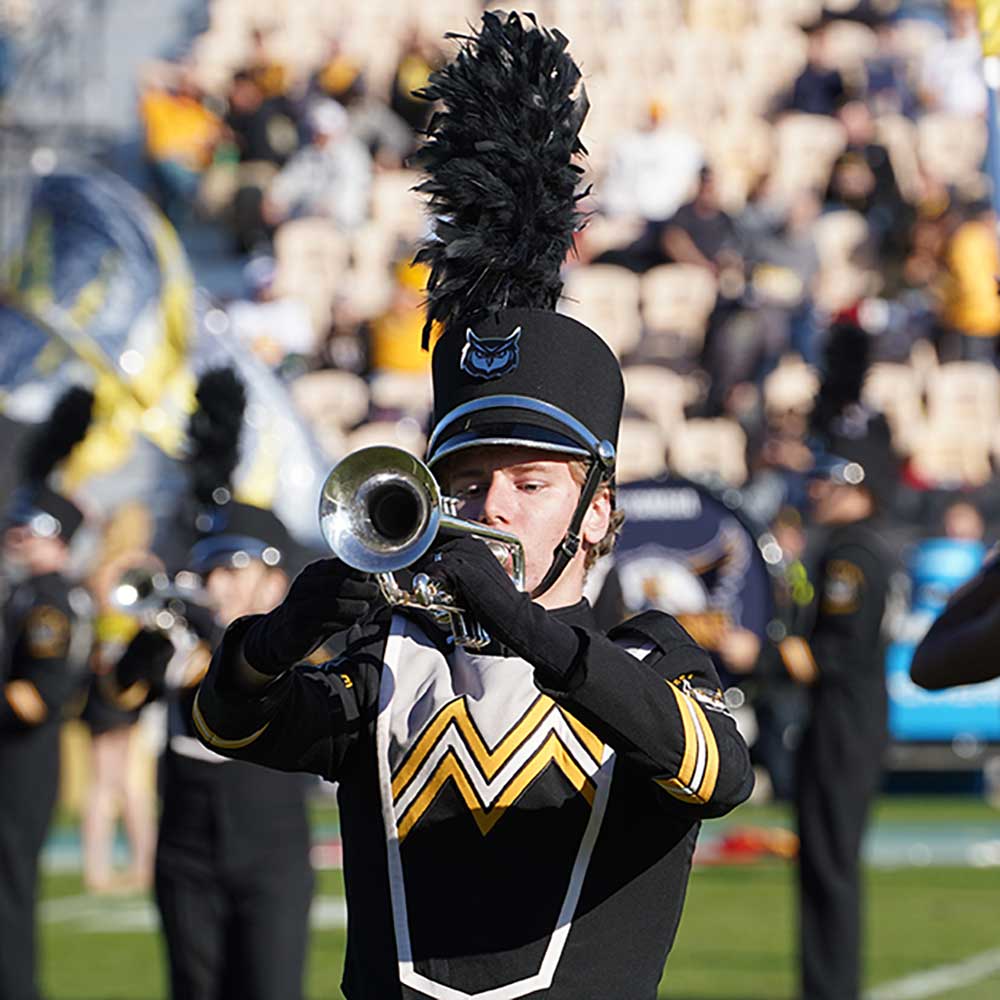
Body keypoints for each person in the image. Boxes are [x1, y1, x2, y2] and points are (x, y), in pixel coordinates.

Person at [193, 14, 754, 1000]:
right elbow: (232, 723)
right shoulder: (390, 664)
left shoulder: (652, 655)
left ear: (599, 510)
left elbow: (715, 773)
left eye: (531, 483)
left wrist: (527, 629)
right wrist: (277, 639)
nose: (490, 505)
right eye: (465, 483)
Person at [116, 371, 315, 1000]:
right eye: (211, 570)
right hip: (186, 841)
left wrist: (208, 648)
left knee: (269, 987)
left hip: (269, 843)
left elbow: (260, 681)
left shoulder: (297, 643)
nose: (219, 584)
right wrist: (154, 633)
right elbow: (118, 696)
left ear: (275, 581)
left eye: (234, 569)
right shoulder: (177, 633)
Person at [778, 425, 895, 1000]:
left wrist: (767, 655)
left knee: (829, 865)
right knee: (827, 862)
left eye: (830, 478)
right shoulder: (859, 548)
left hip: (844, 719)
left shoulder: (850, 555)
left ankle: (830, 989)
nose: (817, 489)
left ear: (858, 486)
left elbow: (835, 652)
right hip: (852, 717)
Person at [0, 388, 92, 1000]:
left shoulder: (50, 602)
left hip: (23, 759)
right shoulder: (23, 595)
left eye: (24, 528)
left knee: (8, 892)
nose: (13, 536)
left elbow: (36, 698)